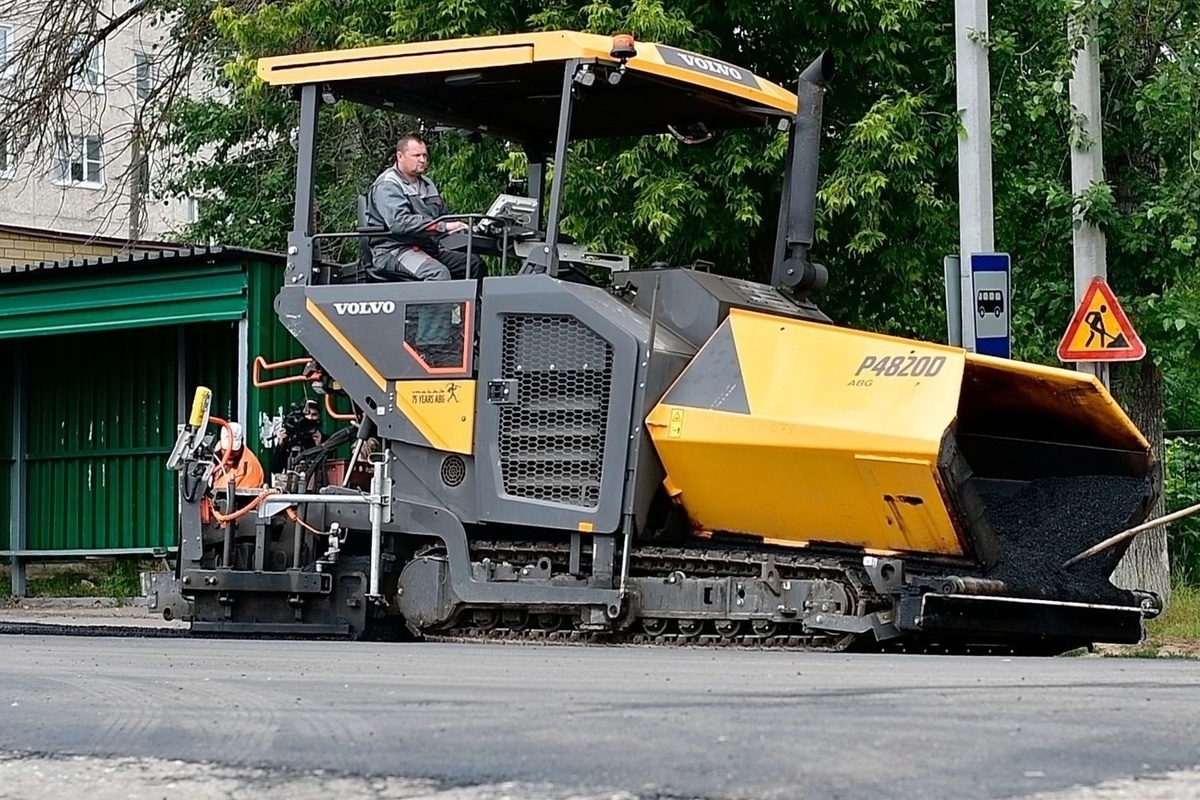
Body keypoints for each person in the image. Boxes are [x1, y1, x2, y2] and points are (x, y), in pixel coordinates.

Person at [364, 134, 485, 281]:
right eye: (416, 155)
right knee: (438, 274)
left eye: (424, 155)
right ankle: (440, 305)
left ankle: (475, 304)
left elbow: (443, 216)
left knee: (474, 264)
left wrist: (469, 228)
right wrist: (443, 227)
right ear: (400, 156)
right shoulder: (387, 184)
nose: (422, 160)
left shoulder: (427, 185)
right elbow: (400, 223)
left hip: (427, 248)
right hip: (394, 250)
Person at [271, 398, 325, 474]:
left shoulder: (323, 439)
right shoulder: (291, 438)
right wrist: (280, 445)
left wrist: (319, 446)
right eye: (307, 414)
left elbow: (329, 469)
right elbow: (275, 469)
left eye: (314, 415)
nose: (310, 418)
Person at [210, 422, 265, 491]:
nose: (229, 454)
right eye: (225, 450)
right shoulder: (214, 453)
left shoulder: (251, 467)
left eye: (233, 451)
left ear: (242, 442)